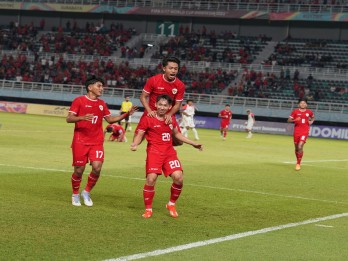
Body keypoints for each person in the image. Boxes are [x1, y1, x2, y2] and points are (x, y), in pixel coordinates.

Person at [66, 76, 137, 207]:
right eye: (99, 85)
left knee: (97, 168)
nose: (101, 88)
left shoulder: (101, 103)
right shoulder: (79, 101)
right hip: (80, 141)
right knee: (78, 171)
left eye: (102, 86)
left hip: (97, 141)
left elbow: (109, 120)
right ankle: (75, 194)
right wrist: (82, 117)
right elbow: (69, 118)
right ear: (90, 87)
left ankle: (86, 192)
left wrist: (126, 114)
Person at [130, 94, 203, 219]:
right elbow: (140, 133)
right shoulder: (148, 118)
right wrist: (135, 144)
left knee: (178, 178)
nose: (162, 107)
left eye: (165, 105)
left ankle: (171, 204)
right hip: (154, 153)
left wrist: (193, 143)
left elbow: (178, 135)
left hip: (169, 153)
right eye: (160, 105)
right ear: (156, 105)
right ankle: (148, 209)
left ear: (169, 107)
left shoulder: (171, 119)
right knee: (151, 179)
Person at [140, 56, 185, 124]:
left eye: (176, 69)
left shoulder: (180, 85)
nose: (173, 71)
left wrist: (169, 114)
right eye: (170, 68)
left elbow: (177, 104)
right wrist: (149, 111)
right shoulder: (154, 80)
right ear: (164, 68)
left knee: (177, 134)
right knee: (139, 134)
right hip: (151, 114)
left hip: (167, 116)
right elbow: (143, 97)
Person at [287, 99, 315, 171]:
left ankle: (298, 163)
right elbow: (288, 120)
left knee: (300, 146)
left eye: (304, 103)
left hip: (305, 131)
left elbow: (313, 117)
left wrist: (311, 121)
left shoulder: (309, 112)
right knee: (297, 148)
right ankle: (298, 161)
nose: (302, 104)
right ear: (299, 104)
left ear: (306, 105)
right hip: (297, 132)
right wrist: (294, 120)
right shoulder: (295, 111)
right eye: (301, 103)